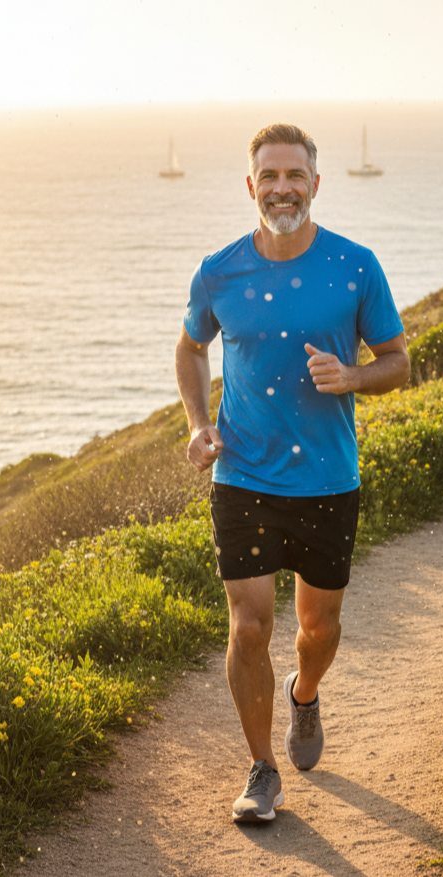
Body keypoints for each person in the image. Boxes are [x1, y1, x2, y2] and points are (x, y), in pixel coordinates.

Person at [174, 123, 409, 823]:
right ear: (252, 187)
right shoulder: (219, 270)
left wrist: (355, 376)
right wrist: (197, 421)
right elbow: (189, 349)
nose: (282, 188)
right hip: (242, 476)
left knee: (317, 626)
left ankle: (304, 695)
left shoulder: (356, 266)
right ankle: (261, 768)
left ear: (314, 183)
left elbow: (398, 360)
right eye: (268, 177)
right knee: (249, 625)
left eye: (294, 175)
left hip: (329, 480)